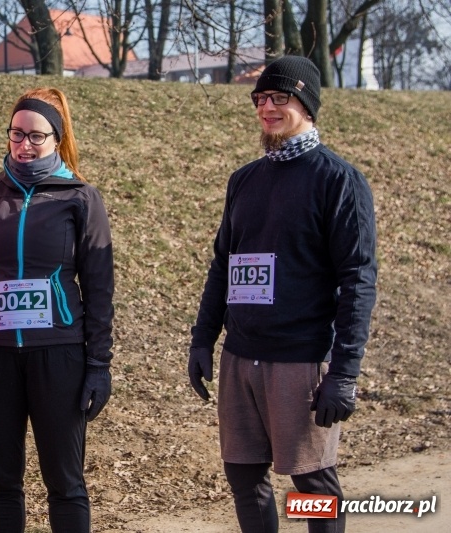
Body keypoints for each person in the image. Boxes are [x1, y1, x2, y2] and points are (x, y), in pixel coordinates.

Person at [187, 55, 378, 533]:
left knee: (311, 484)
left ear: (307, 106)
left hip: (301, 360)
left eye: (280, 98)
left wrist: (344, 373)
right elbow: (223, 266)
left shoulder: (339, 180)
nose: (266, 108)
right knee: (243, 476)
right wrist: (203, 338)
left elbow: (358, 279)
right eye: (260, 99)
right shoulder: (244, 180)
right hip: (241, 356)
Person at [0, 87, 115, 532]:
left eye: (36, 136)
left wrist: (99, 363)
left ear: (56, 139)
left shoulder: (79, 198)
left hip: (59, 355)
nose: (23, 145)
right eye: (15, 134)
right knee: (3, 483)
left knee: (65, 481)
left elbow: (99, 290)